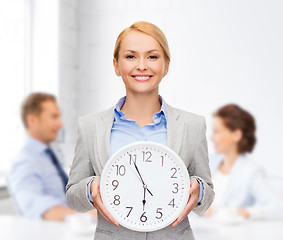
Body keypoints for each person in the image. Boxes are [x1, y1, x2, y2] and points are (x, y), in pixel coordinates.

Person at [66, 21, 214, 239]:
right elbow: (72, 197)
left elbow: (208, 193)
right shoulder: (90, 126)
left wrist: (199, 190)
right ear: (116, 65)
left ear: (166, 65)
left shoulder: (192, 125)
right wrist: (90, 188)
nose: (142, 65)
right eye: (131, 56)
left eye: (152, 56)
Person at [207, 104, 283, 220]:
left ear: (236, 135)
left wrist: (241, 213)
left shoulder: (250, 171)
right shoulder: (208, 163)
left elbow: (277, 208)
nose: (212, 138)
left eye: (217, 132)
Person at [8, 93, 76, 221]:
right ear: (32, 120)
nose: (60, 124)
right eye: (54, 117)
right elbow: (34, 204)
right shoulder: (25, 161)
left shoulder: (49, 156)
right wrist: (85, 217)